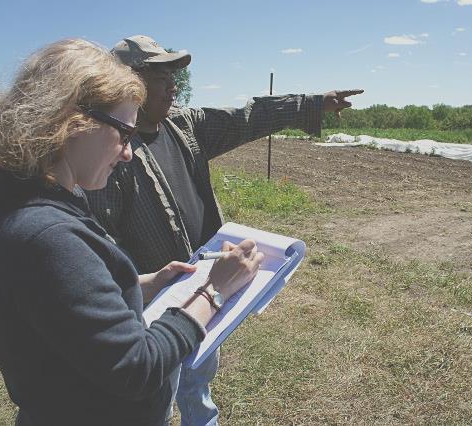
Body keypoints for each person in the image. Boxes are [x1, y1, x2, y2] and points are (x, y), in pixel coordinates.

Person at [85, 34, 363, 425]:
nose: (173, 85)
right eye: (160, 76)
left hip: (206, 283)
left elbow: (246, 117)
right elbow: (100, 243)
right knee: (156, 398)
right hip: (154, 305)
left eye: (173, 76)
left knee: (198, 381)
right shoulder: (109, 151)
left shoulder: (183, 125)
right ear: (126, 83)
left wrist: (312, 104)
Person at [0, 39, 263, 426]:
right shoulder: (46, 235)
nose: (128, 153)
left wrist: (144, 284)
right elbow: (137, 368)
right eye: (124, 133)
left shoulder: (15, 201)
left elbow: (59, 303)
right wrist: (213, 292)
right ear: (73, 121)